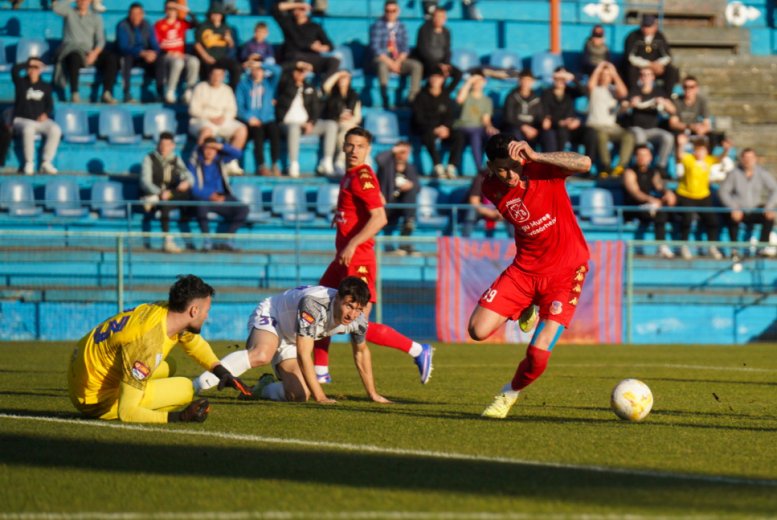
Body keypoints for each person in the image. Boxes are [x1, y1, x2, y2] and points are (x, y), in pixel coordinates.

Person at [468, 133, 591, 419]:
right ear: (490, 166)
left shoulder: (543, 169)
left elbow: (584, 162)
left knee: (536, 356)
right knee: (477, 330)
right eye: (502, 169)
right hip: (524, 270)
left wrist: (537, 156)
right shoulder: (491, 187)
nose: (510, 175)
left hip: (566, 271)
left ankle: (508, 393)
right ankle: (529, 302)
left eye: (515, 166)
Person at [315, 127, 434, 384]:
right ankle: (319, 372)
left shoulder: (362, 175)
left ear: (367, 150)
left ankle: (418, 350)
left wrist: (352, 243)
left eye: (359, 146)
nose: (353, 150)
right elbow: (374, 200)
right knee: (320, 307)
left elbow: (380, 217)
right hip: (344, 258)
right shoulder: (350, 176)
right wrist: (342, 217)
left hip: (358, 259)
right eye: (349, 145)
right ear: (343, 146)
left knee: (358, 325)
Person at [67, 275, 251, 424]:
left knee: (169, 364)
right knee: (185, 389)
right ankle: (131, 390)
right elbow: (127, 412)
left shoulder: (165, 311)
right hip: (95, 400)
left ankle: (134, 385)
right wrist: (180, 417)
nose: (207, 316)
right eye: (207, 310)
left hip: (85, 372)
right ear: (194, 310)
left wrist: (222, 372)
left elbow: (194, 343)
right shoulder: (147, 345)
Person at [194, 277, 391, 404]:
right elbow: (304, 353)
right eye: (349, 306)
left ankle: (262, 388)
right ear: (337, 298)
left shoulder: (359, 320)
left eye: (358, 309)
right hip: (273, 316)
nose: (352, 313)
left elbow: (361, 352)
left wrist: (372, 394)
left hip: (291, 337)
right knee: (262, 354)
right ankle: (197, 386)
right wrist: (321, 397)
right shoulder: (315, 304)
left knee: (299, 396)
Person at [275, 61, 338, 177]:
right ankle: (293, 163)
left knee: (331, 125)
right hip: (287, 123)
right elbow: (280, 70)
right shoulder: (284, 85)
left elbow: (315, 108)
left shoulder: (310, 88)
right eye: (298, 71)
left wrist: (311, 122)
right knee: (294, 128)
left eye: (303, 72)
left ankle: (327, 161)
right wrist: (296, 65)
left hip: (306, 124)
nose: (300, 74)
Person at [187, 137, 250, 251]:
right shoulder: (194, 165)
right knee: (201, 206)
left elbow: (238, 154)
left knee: (243, 208)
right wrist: (210, 195)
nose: (210, 151)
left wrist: (220, 146)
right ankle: (207, 241)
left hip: (222, 198)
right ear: (202, 149)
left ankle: (228, 240)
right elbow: (193, 187)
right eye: (207, 148)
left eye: (213, 148)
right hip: (205, 199)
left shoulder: (220, 161)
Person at [52, 0, 119, 104]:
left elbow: (101, 40)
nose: (83, 2)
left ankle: (106, 93)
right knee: (73, 56)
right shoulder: (69, 12)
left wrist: (94, 53)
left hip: (90, 52)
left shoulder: (96, 18)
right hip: (73, 49)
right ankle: (74, 93)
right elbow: (56, 8)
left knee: (111, 58)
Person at [675, 136, 730, 260]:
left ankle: (711, 246)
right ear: (694, 151)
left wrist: (726, 150)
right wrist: (681, 145)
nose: (700, 153)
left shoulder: (709, 160)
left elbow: (720, 158)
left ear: (706, 151)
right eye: (698, 150)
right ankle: (683, 245)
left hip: (703, 195)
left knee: (713, 220)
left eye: (703, 150)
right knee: (687, 219)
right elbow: (679, 156)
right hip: (686, 194)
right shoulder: (689, 159)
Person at [140, 132, 195, 253]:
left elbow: (189, 176)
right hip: (159, 195)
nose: (164, 148)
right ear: (158, 145)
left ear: (173, 146)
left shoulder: (176, 159)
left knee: (188, 194)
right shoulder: (149, 158)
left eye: (167, 145)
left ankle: (195, 241)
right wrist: (159, 193)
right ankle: (167, 240)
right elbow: (145, 182)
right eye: (162, 144)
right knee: (165, 203)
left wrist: (187, 182)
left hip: (170, 195)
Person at [718, 148, 777, 259]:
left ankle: (762, 247)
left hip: (755, 209)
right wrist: (733, 207)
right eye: (745, 157)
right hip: (739, 210)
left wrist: (769, 207)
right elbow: (723, 192)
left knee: (769, 216)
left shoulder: (762, 173)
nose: (748, 160)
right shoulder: (734, 173)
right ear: (741, 159)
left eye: (750, 157)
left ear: (755, 159)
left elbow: (775, 189)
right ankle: (734, 249)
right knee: (732, 217)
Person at [188, 67, 247, 175]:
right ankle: (200, 164)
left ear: (223, 77)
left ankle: (230, 162)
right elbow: (193, 110)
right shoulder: (200, 88)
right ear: (209, 75)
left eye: (219, 75)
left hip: (222, 121)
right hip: (201, 120)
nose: (216, 78)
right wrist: (210, 117)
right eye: (214, 74)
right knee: (207, 131)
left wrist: (224, 118)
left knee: (241, 129)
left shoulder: (227, 90)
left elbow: (232, 110)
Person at [623, 145, 677, 258]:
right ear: (635, 157)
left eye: (645, 155)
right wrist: (651, 200)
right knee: (659, 212)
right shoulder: (629, 172)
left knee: (670, 210)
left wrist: (667, 193)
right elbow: (635, 192)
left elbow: (659, 186)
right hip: (632, 208)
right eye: (640, 155)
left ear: (650, 157)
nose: (643, 157)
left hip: (649, 206)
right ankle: (660, 246)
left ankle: (672, 246)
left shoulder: (652, 172)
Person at [11, 58, 61, 175]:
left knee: (55, 129)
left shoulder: (45, 86)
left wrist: (46, 114)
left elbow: (50, 105)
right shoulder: (21, 83)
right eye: (31, 68)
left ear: (40, 70)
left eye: (36, 68)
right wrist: (29, 63)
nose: (33, 70)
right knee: (28, 129)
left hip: (40, 121)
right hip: (22, 119)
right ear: (27, 69)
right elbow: (14, 70)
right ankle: (29, 162)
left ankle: (46, 162)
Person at [369, 0, 423, 108]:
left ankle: (412, 100)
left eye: (393, 11)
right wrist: (390, 63)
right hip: (383, 59)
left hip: (398, 60)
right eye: (387, 11)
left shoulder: (401, 26)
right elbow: (376, 48)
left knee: (416, 66)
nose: (390, 13)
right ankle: (385, 100)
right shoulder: (377, 26)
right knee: (382, 66)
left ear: (398, 11)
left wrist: (398, 62)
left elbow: (405, 48)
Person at [586, 61, 634, 177]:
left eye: (607, 75)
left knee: (628, 136)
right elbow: (590, 85)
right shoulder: (595, 90)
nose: (604, 77)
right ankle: (606, 166)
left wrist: (614, 73)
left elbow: (624, 93)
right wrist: (599, 68)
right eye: (603, 74)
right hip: (596, 125)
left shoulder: (613, 91)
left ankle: (620, 167)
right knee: (601, 135)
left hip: (611, 127)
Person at [236, 57, 282, 176]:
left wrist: (261, 64)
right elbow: (239, 106)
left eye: (259, 70)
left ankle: (275, 164)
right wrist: (249, 118)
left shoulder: (269, 83)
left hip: (268, 118)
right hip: (252, 120)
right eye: (254, 69)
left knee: (274, 132)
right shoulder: (243, 85)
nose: (257, 72)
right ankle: (261, 165)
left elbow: (278, 71)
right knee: (258, 134)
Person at [411, 65, 458, 178]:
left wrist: (446, 127)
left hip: (443, 128)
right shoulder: (421, 96)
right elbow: (419, 119)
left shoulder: (445, 96)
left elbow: (450, 116)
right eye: (433, 77)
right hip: (426, 128)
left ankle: (451, 167)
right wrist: (434, 128)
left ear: (443, 79)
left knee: (459, 135)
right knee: (428, 135)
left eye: (438, 77)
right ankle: (438, 166)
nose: (435, 80)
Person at [272, 1, 339, 79]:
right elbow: (275, 8)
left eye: (302, 9)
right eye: (296, 9)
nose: (299, 12)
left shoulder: (314, 26)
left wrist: (321, 48)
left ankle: (324, 86)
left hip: (311, 58)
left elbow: (330, 45)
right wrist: (298, 4)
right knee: (294, 56)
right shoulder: (288, 23)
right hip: (294, 58)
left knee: (334, 61)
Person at [628, 67, 675, 176]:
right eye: (643, 75)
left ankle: (660, 167)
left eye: (648, 74)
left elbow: (673, 111)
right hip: (636, 128)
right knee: (639, 135)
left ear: (653, 77)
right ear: (640, 77)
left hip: (652, 130)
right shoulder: (634, 90)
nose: (645, 77)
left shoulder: (659, 92)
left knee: (668, 137)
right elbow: (622, 109)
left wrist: (664, 103)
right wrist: (630, 104)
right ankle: (640, 166)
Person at [450, 72, 499, 177]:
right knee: (475, 134)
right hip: (463, 126)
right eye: (475, 81)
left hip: (478, 127)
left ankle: (496, 167)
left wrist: (490, 126)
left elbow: (486, 119)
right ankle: (479, 168)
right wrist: (469, 81)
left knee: (494, 135)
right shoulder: (466, 94)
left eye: (479, 80)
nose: (477, 83)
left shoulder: (487, 100)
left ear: (484, 82)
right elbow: (459, 99)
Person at [376, 141, 420, 255]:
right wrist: (394, 150)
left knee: (411, 193)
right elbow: (379, 159)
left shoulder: (410, 168)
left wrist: (411, 185)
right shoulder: (387, 165)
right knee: (407, 214)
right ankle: (400, 244)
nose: (402, 154)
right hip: (386, 203)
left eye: (405, 152)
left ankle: (404, 244)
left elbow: (418, 186)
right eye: (401, 151)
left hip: (403, 206)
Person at [155, 0, 200, 104]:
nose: (171, 11)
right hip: (167, 55)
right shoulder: (159, 24)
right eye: (168, 9)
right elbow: (157, 44)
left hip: (181, 54)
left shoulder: (181, 23)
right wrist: (169, 52)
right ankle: (170, 91)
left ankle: (188, 90)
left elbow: (197, 24)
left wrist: (185, 10)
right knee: (178, 62)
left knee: (194, 61)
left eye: (173, 9)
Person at [116, 3, 162, 103]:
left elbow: (154, 44)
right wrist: (141, 53)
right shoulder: (122, 25)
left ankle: (160, 93)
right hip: (131, 55)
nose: (135, 17)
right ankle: (126, 93)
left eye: (138, 14)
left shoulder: (147, 25)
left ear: (142, 14)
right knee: (126, 59)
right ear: (129, 14)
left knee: (159, 59)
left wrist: (153, 53)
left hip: (145, 57)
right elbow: (123, 47)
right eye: (133, 14)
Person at [540, 67, 590, 155]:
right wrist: (560, 122)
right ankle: (557, 164)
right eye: (558, 78)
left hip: (570, 128)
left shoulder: (570, 92)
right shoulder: (546, 93)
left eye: (563, 78)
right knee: (558, 133)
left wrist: (573, 78)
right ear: (554, 78)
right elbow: (546, 117)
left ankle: (588, 164)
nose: (560, 81)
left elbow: (583, 91)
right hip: (555, 127)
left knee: (591, 132)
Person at [623, 14, 678, 92]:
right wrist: (648, 65)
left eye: (649, 26)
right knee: (631, 70)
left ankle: (667, 96)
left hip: (657, 67)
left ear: (655, 26)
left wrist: (659, 64)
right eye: (645, 26)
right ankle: (634, 93)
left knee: (671, 71)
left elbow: (667, 56)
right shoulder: (633, 36)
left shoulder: (660, 37)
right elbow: (630, 57)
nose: (647, 29)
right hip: (639, 67)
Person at [193, 4, 242, 91]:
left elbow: (232, 46)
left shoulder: (226, 27)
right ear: (210, 15)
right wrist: (206, 57)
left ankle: (231, 90)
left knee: (236, 67)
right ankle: (205, 92)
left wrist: (229, 40)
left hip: (222, 58)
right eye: (214, 14)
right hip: (207, 58)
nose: (216, 16)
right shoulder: (203, 26)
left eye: (218, 14)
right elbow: (197, 44)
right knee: (205, 70)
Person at [322, 70, 362, 173]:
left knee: (352, 134)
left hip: (349, 124)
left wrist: (350, 119)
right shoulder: (332, 92)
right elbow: (325, 86)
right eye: (341, 78)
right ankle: (340, 162)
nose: (343, 80)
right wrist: (338, 74)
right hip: (334, 122)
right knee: (350, 132)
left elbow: (358, 116)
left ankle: (341, 162)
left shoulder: (354, 95)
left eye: (345, 78)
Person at [413, 7, 462, 87]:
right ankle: (428, 93)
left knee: (458, 74)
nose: (440, 19)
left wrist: (446, 64)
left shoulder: (446, 31)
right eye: (438, 16)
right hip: (427, 63)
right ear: (433, 17)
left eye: (442, 17)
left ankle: (444, 94)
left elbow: (447, 50)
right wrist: (438, 64)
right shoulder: (424, 29)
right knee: (439, 72)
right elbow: (422, 50)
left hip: (442, 63)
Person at [669, 75, 712, 153]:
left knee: (712, 136)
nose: (688, 90)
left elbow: (707, 124)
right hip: (680, 130)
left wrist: (702, 129)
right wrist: (689, 126)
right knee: (676, 137)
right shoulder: (676, 101)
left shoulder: (701, 101)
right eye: (685, 87)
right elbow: (673, 123)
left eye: (691, 87)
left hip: (695, 130)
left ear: (697, 88)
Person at [502, 70, 543, 148]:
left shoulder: (536, 98)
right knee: (515, 133)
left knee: (547, 134)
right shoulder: (511, 96)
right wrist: (523, 127)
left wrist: (536, 128)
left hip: (532, 129)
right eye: (523, 80)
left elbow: (539, 117)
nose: (525, 83)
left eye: (528, 80)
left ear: (532, 81)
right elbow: (508, 118)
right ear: (519, 81)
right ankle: (518, 158)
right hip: (515, 128)